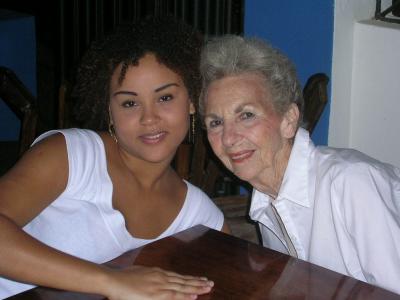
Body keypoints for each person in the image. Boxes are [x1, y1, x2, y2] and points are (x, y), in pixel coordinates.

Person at [0, 18, 229, 299]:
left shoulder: (198, 216)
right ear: (110, 111)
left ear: (192, 101)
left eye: (165, 97)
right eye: (129, 103)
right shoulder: (71, 156)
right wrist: (112, 281)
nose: (149, 118)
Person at [199, 35, 400, 294]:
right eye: (216, 122)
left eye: (246, 115)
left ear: (289, 120)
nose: (228, 138)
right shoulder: (265, 204)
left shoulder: (351, 184)